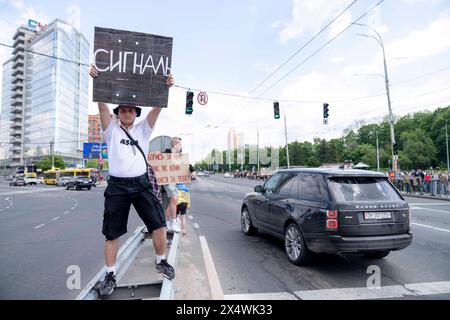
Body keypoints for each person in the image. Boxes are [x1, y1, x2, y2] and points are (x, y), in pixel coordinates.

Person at [89, 64, 175, 296]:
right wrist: (97, 81)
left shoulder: (143, 130)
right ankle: (110, 275)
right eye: (123, 110)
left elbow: (157, 109)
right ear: (118, 113)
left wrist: (165, 88)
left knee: (159, 224)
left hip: (140, 184)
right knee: (111, 234)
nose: (127, 113)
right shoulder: (111, 131)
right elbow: (102, 107)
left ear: (136, 113)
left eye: (131, 110)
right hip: (117, 186)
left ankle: (161, 261)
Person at [163, 136, 196, 232]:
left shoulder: (180, 156)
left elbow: (187, 164)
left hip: (175, 181)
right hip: (168, 179)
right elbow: (161, 161)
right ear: (175, 143)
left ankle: (168, 223)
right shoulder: (167, 152)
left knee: (172, 201)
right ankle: (172, 222)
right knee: (174, 198)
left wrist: (193, 170)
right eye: (179, 144)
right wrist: (173, 151)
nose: (181, 146)